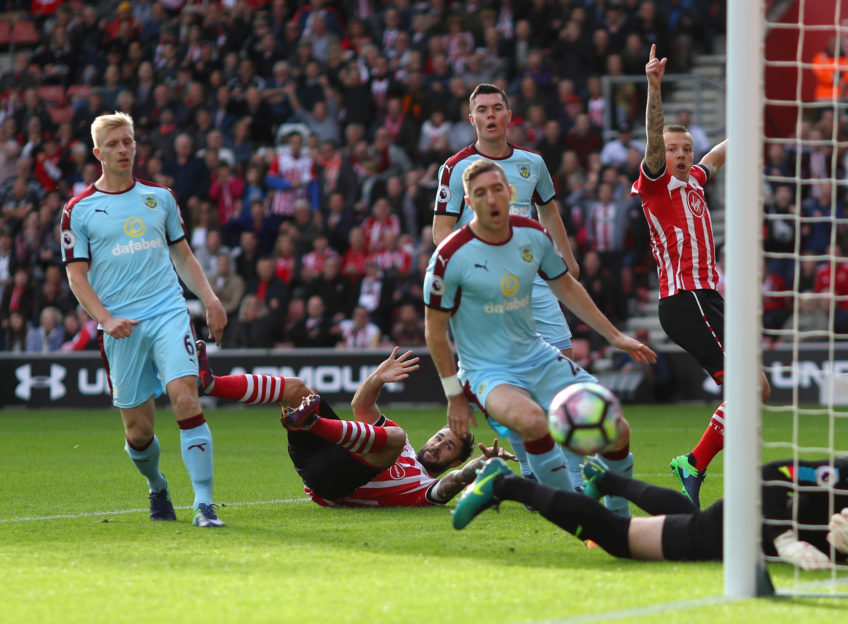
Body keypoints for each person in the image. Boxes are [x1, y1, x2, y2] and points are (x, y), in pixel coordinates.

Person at [425, 159, 656, 515]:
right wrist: (454, 394)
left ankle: (616, 515)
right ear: (469, 203)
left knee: (616, 428)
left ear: (510, 193)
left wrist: (614, 336)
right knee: (533, 422)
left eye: (497, 189)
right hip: (487, 372)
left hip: (537, 355)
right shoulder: (449, 257)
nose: (491, 199)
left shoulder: (533, 235)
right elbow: (434, 330)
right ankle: (574, 511)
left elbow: (566, 286)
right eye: (481, 193)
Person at [454, 404, 848, 570]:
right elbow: (770, 476)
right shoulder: (846, 473)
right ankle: (507, 484)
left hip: (752, 537)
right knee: (618, 540)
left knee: (688, 515)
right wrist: (786, 541)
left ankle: (607, 479)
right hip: (741, 530)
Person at [61, 112, 228, 527]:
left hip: (168, 311)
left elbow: (182, 255)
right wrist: (105, 319)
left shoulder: (161, 198)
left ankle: (204, 504)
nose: (123, 150)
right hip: (120, 326)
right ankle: (157, 485)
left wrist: (210, 299)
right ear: (98, 153)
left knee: (186, 398)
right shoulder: (78, 210)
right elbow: (76, 276)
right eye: (114, 144)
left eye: (128, 141)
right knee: (138, 432)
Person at [635, 45, 771, 508]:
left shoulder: (694, 179)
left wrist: (752, 113)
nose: (680, 154)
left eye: (685, 149)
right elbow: (654, 139)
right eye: (673, 149)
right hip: (684, 299)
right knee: (745, 387)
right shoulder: (655, 183)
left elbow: (717, 154)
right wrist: (654, 88)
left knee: (759, 387)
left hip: (707, 297)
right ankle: (707, 468)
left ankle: (694, 462)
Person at [431, 82, 584, 486]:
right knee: (506, 380)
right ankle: (533, 470)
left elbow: (548, 211)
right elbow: (441, 230)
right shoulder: (456, 167)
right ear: (472, 119)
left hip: (533, 277)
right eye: (482, 110)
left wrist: (566, 259)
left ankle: (569, 469)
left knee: (563, 363)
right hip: (485, 286)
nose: (490, 115)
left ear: (509, 116)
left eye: (497, 108)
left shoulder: (532, 162)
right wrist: (470, 269)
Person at [196, 342, 516, 507]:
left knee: (394, 436)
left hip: (334, 484)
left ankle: (311, 421)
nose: (437, 445)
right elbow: (360, 405)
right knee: (296, 389)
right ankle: (210, 384)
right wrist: (377, 378)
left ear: (455, 461)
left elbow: (451, 485)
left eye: (448, 447)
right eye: (439, 437)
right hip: (320, 456)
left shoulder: (424, 489)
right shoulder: (403, 445)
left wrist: (476, 467)